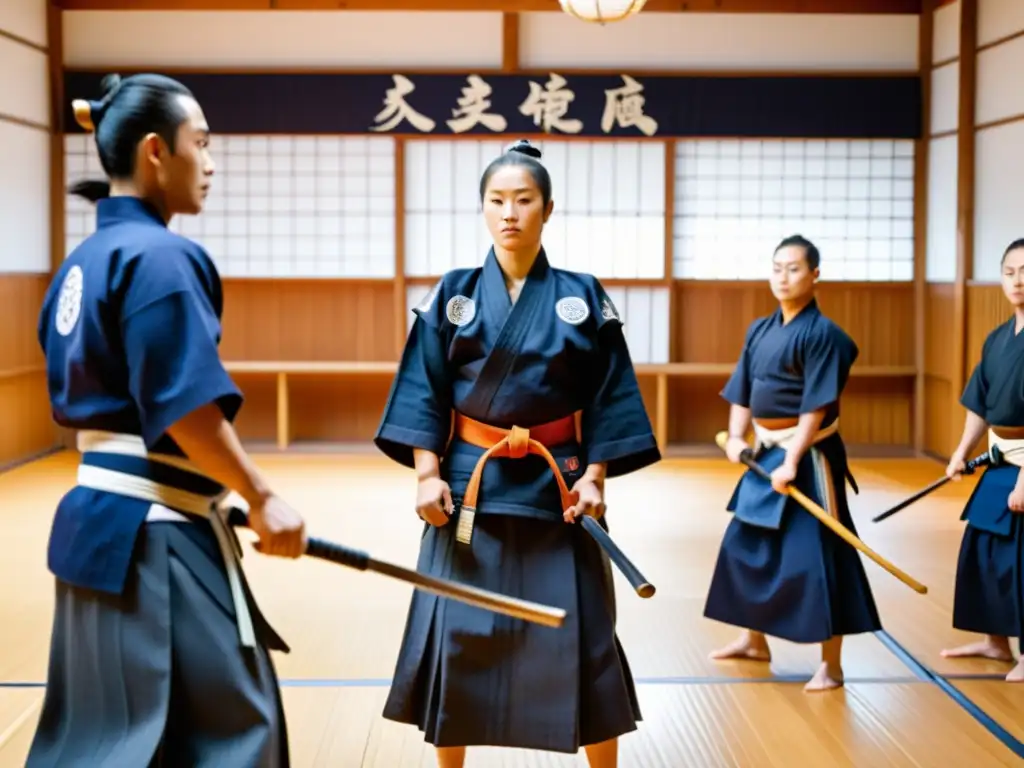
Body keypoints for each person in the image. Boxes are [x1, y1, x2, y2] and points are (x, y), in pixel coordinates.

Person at [26, 73, 305, 767]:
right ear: (156, 151)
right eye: (201, 144)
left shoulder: (83, 262)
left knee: (104, 738)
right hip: (157, 539)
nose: (210, 163)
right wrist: (263, 497)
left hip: (96, 529)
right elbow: (184, 408)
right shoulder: (162, 258)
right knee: (237, 735)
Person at [373, 139, 661, 768]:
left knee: (583, 634)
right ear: (482, 209)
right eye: (497, 200)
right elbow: (423, 388)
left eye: (523, 200)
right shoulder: (451, 293)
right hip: (469, 487)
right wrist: (425, 475)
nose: (510, 213)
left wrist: (598, 479)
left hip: (560, 487)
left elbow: (610, 396)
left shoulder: (583, 296)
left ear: (547, 209)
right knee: (459, 633)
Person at [702, 234, 882, 692]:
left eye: (794, 268)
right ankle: (753, 639)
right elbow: (743, 387)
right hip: (764, 453)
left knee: (819, 557)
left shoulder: (825, 335)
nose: (783, 276)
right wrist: (737, 436)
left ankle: (832, 665)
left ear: (815, 274)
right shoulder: (759, 330)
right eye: (777, 267)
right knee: (745, 545)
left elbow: (815, 407)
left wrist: (791, 461)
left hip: (808, 455)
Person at [940, 238, 1024, 682]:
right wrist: (960, 454)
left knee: (1023, 561)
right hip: (999, 461)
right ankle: (995, 642)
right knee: (985, 548)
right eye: (1010, 271)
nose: (1018, 280)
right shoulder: (997, 338)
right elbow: (980, 404)